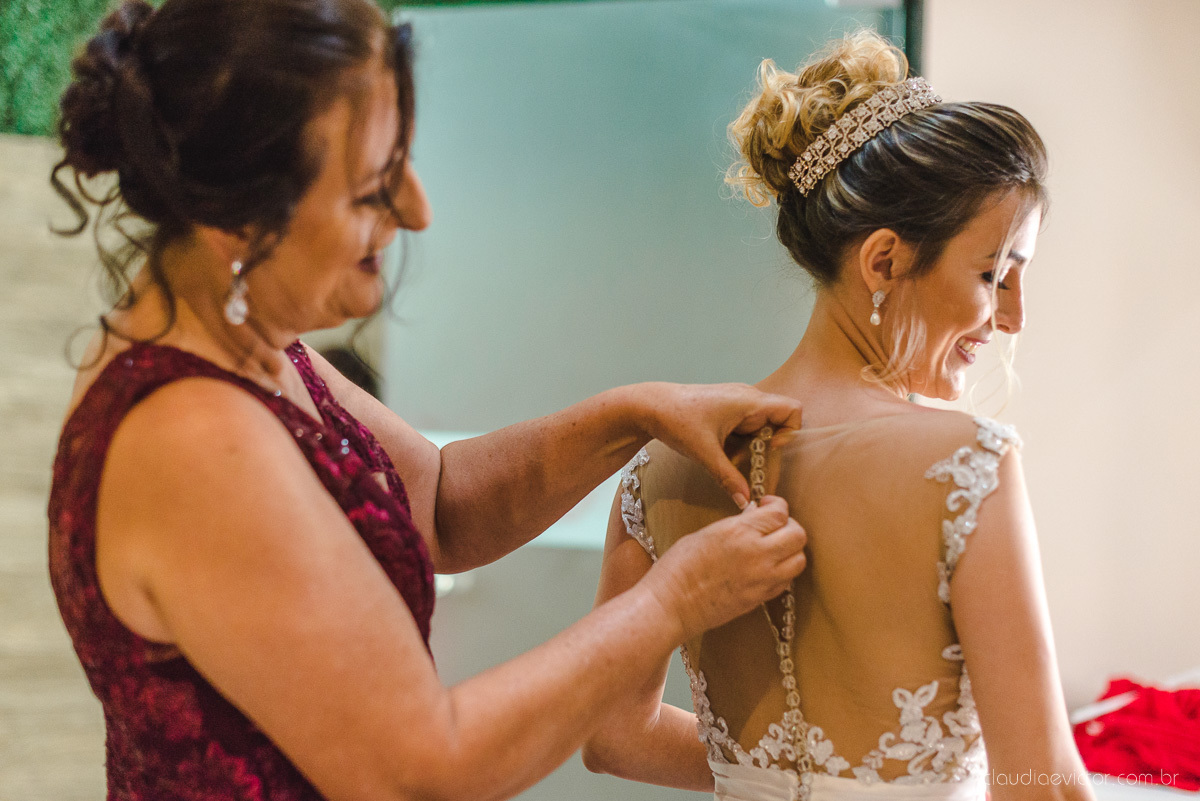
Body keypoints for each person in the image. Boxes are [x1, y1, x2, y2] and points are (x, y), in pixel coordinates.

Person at [45, 1, 812, 798]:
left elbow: (441, 504)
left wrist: (637, 412)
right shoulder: (191, 436)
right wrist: (673, 601)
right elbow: (421, 770)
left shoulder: (265, 355)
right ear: (235, 222)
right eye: (374, 189)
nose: (417, 210)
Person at [583, 32, 1094, 801]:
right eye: (993, 274)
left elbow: (611, 735)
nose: (1012, 318)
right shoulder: (969, 464)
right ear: (883, 261)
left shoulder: (657, 470)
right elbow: (1041, 784)